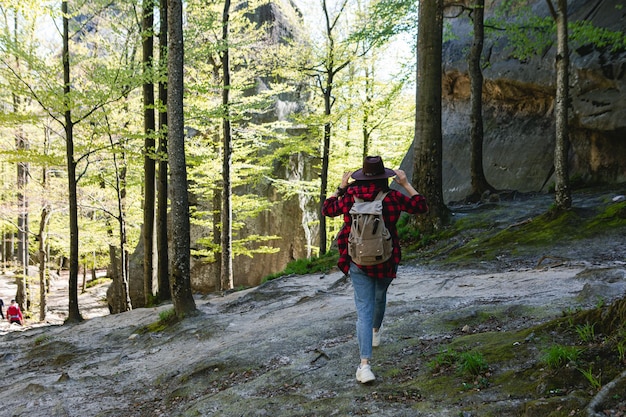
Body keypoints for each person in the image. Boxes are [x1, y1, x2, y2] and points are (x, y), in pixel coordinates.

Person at [322, 155, 428, 384]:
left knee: (363, 309)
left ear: (360, 177)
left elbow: (327, 209)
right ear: (385, 177)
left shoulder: (350, 196)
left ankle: (364, 366)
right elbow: (421, 206)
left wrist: (340, 188)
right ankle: (376, 332)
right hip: (387, 259)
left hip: (357, 260)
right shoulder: (392, 197)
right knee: (380, 296)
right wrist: (406, 183)